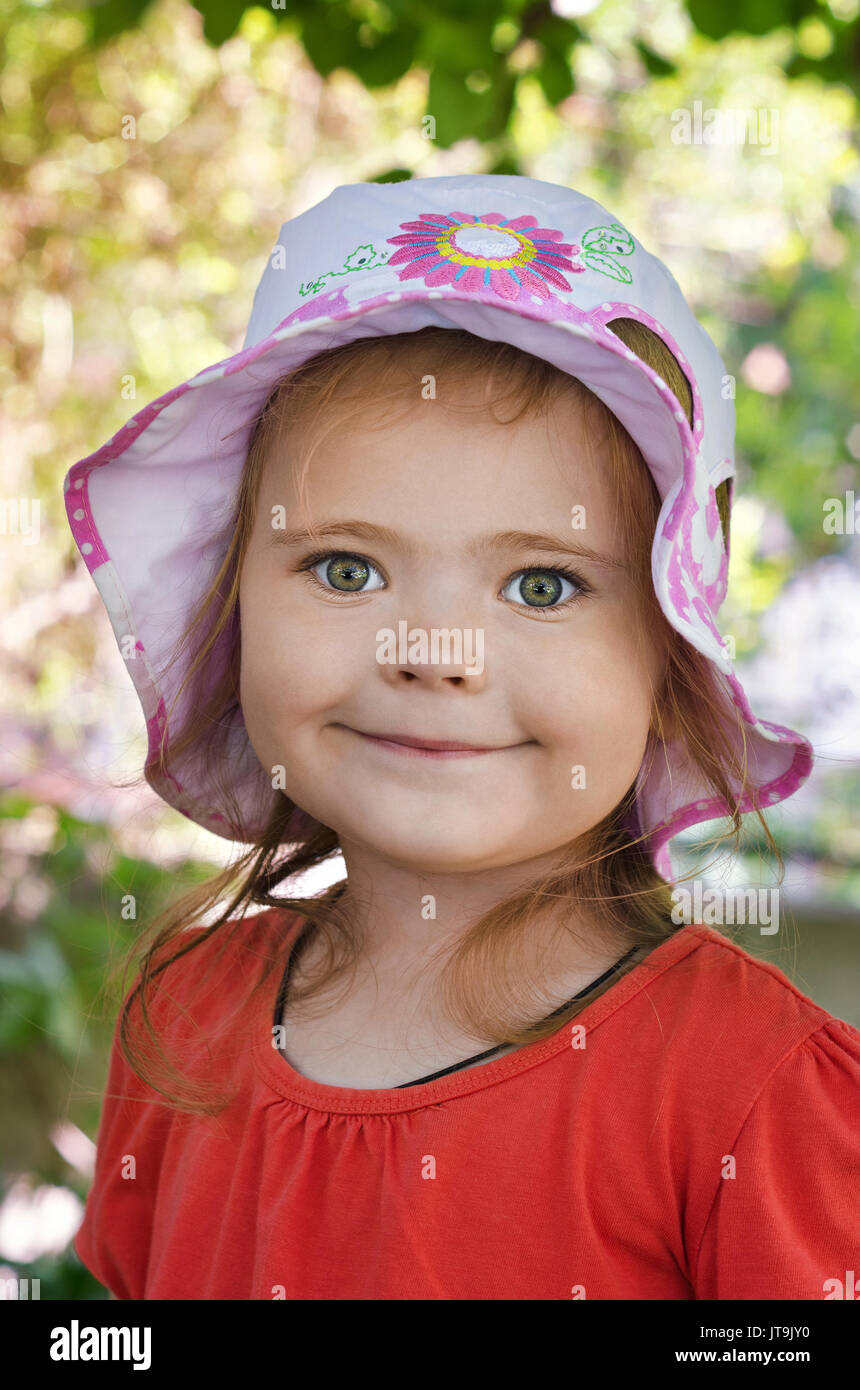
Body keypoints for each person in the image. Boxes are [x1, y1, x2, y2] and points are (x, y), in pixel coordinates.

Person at [66, 175, 859, 1300]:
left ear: (667, 658)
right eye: (346, 567)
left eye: (540, 583)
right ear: (232, 609)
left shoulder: (752, 1095)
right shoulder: (186, 1016)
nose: (435, 650)